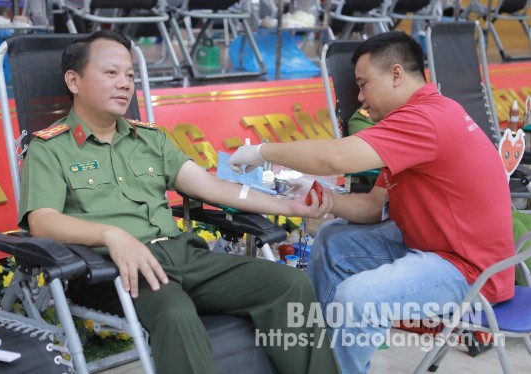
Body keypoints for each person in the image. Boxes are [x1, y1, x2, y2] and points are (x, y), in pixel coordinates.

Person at [17, 30, 340, 374]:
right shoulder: (50, 148)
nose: (125, 84)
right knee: (175, 312)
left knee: (288, 284)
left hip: (183, 255)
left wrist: (289, 207)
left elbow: (210, 187)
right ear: (74, 81)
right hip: (115, 271)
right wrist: (111, 236)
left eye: (129, 74)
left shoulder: (150, 139)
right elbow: (43, 220)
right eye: (111, 73)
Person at [228, 30, 514, 373]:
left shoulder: (425, 119)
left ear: (396, 74)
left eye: (363, 84)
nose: (360, 98)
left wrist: (262, 151)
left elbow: (335, 158)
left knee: (359, 298)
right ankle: (314, 356)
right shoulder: (420, 118)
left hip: (469, 270)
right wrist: (325, 199)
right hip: (432, 245)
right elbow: (374, 206)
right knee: (334, 240)